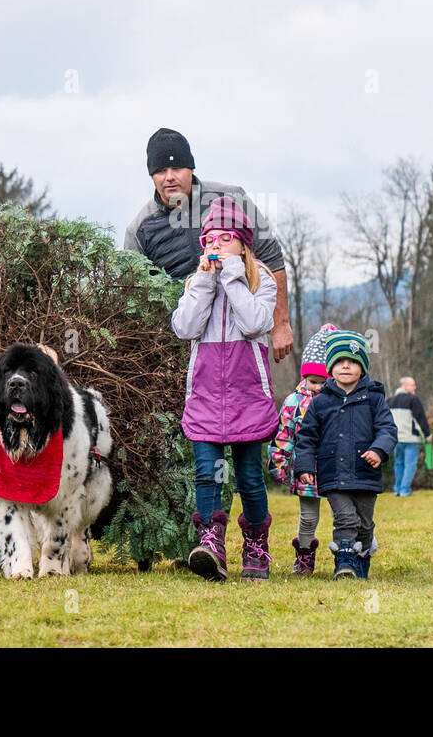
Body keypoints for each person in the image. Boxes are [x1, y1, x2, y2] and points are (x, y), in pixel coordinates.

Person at [170, 195, 280, 581]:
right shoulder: (199, 282)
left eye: (224, 238)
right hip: (205, 397)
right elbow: (185, 328)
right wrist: (203, 282)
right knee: (207, 473)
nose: (214, 245)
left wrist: (232, 278)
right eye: (208, 239)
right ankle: (211, 544)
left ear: (242, 243)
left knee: (249, 477)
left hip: (247, 397)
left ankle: (255, 547)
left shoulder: (260, 281)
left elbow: (253, 323)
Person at [125, 127, 295, 362]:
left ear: (191, 168)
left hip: (243, 339)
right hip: (177, 347)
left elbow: (272, 257)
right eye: (161, 170)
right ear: (152, 176)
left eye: (177, 168)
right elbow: (134, 296)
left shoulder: (232, 199)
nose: (169, 177)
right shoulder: (139, 229)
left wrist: (281, 323)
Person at [293, 330, 397, 579]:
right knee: (345, 519)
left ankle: (362, 559)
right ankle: (344, 562)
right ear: (330, 367)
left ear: (362, 367)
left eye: (352, 361)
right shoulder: (320, 402)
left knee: (364, 523)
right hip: (334, 474)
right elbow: (307, 437)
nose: (346, 366)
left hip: (365, 474)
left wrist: (378, 450)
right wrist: (305, 466)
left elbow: (388, 429)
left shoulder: (374, 399)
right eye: (339, 361)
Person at [268, 323, 337, 574]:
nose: (317, 387)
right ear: (304, 376)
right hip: (306, 471)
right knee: (308, 518)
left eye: (323, 381)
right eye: (312, 380)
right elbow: (284, 435)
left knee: (343, 516)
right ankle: (305, 557)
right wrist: (279, 463)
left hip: (335, 471)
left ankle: (346, 556)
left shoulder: (340, 402)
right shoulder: (294, 402)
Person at [387, 376, 431, 497]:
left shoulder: (390, 401)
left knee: (398, 463)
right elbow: (420, 419)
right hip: (411, 438)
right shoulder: (413, 400)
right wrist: (427, 435)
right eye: (412, 385)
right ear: (404, 386)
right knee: (410, 464)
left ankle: (397, 489)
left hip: (396, 438)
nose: (414, 387)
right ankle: (405, 490)